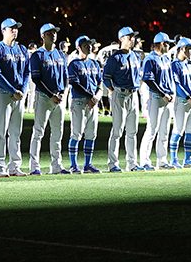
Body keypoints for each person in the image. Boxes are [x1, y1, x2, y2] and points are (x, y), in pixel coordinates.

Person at [0, 18, 30, 177]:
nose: (14, 30)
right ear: (3, 31)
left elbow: (27, 72)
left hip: (18, 94)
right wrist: (13, 90)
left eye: (16, 28)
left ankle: (15, 166)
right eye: (11, 28)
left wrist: (22, 90)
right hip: (3, 93)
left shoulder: (22, 49)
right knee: (0, 130)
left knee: (16, 132)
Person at [28, 23, 70, 175]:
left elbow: (66, 76)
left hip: (59, 97)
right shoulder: (37, 55)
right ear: (42, 36)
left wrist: (63, 93)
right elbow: (36, 78)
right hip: (44, 97)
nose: (53, 35)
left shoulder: (60, 54)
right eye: (49, 33)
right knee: (38, 132)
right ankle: (34, 166)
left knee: (57, 133)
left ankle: (56, 165)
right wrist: (51, 95)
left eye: (54, 32)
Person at [103, 26, 143, 172]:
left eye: (133, 37)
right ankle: (113, 163)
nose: (132, 39)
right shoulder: (115, 58)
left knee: (132, 131)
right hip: (120, 94)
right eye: (129, 37)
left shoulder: (136, 56)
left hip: (133, 94)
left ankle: (132, 163)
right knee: (117, 130)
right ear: (121, 39)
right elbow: (106, 78)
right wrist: (112, 91)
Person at [139, 32, 175, 170]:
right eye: (167, 43)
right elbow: (148, 79)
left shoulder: (166, 58)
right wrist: (162, 93)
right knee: (152, 129)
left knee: (164, 131)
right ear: (161, 44)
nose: (168, 46)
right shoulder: (150, 59)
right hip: (155, 97)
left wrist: (170, 93)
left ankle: (162, 160)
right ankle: (145, 161)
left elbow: (169, 78)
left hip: (167, 97)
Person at [67, 35, 103, 174]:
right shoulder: (74, 64)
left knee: (91, 134)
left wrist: (97, 96)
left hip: (93, 102)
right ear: (78, 48)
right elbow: (75, 84)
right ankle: (73, 165)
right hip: (79, 101)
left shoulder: (94, 63)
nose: (89, 47)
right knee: (76, 133)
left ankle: (88, 164)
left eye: (89, 44)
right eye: (85, 45)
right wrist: (91, 97)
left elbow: (99, 82)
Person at [170, 37, 191, 167]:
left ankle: (188, 159)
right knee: (178, 129)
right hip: (182, 101)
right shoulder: (174, 65)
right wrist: (189, 98)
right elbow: (176, 84)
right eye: (190, 49)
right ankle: (173, 159)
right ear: (182, 49)